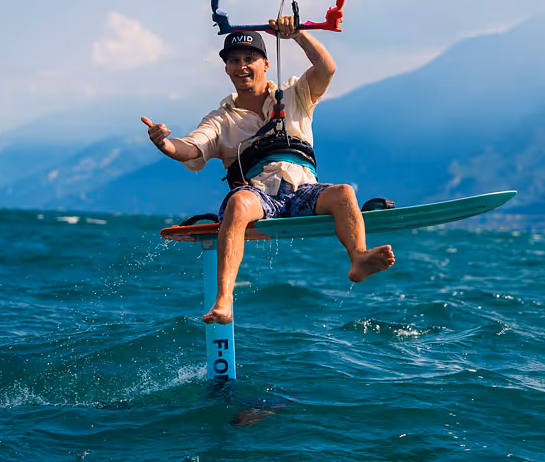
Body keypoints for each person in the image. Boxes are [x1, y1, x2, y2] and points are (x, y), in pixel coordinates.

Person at [141, 16, 395, 325]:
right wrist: (164, 144)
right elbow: (191, 148)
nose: (242, 66)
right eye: (234, 60)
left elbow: (327, 68)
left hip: (304, 191)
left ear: (265, 64)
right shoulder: (220, 119)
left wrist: (298, 35)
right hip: (259, 195)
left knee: (344, 192)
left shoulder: (295, 93)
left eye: (250, 59)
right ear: (226, 69)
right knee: (237, 202)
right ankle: (224, 300)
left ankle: (358, 258)